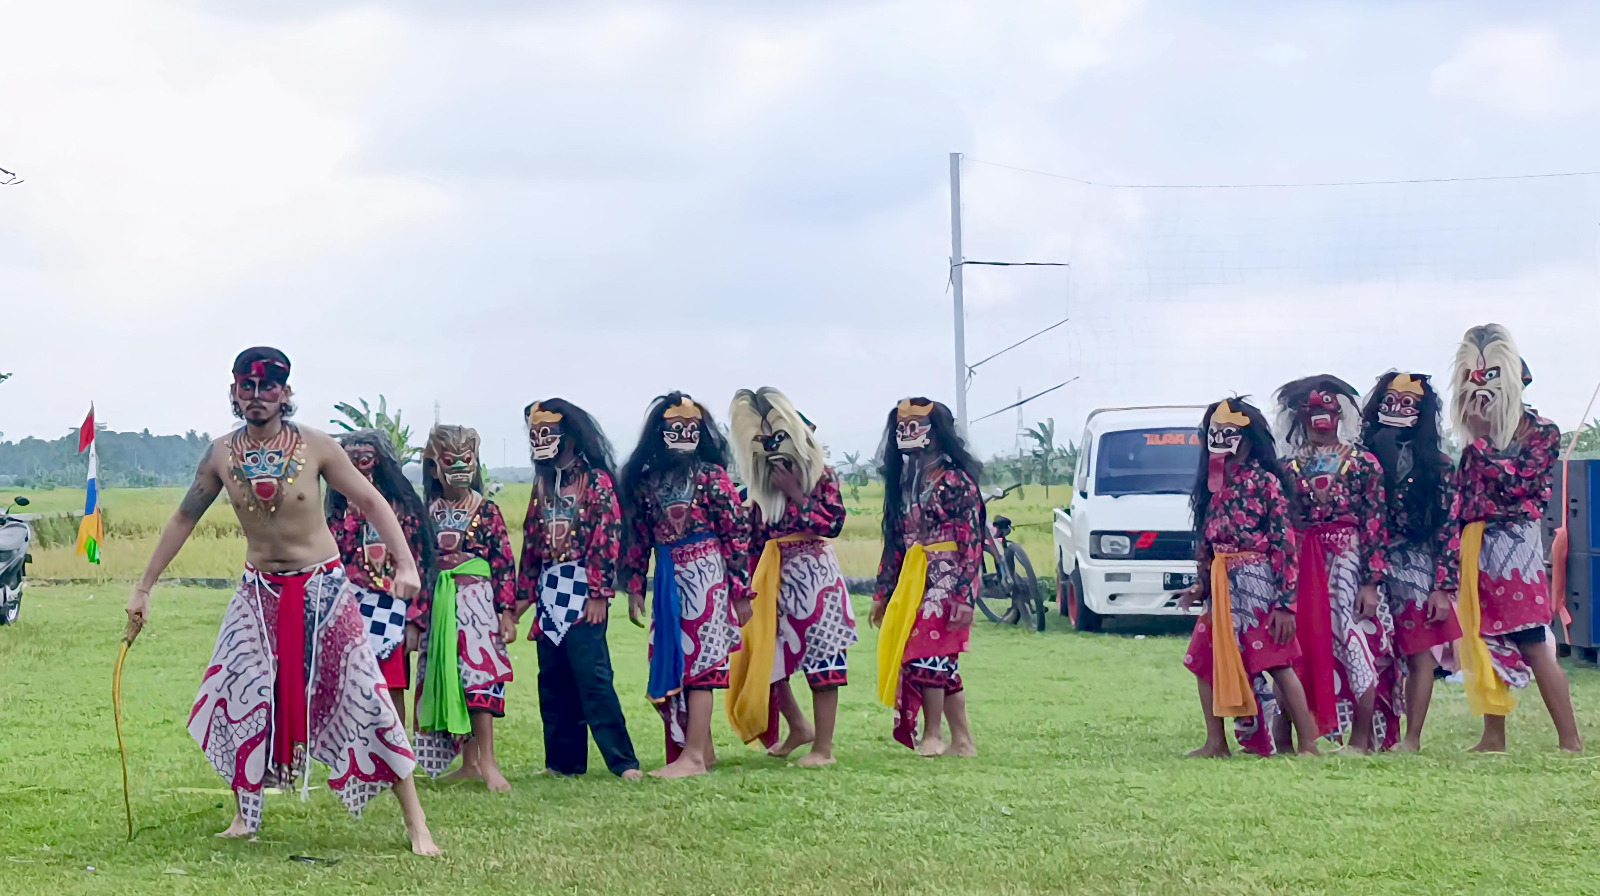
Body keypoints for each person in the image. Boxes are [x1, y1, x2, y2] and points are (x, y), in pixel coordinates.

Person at [123, 347, 437, 855]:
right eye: (246, 387)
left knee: (365, 693)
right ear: (234, 392)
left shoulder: (317, 446)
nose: (256, 396)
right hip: (258, 592)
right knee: (237, 690)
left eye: (267, 386)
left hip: (324, 588)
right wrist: (144, 587)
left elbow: (371, 500)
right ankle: (245, 816)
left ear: (285, 393)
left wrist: (405, 562)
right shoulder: (221, 455)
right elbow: (184, 517)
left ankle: (416, 824)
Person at [1439, 324, 1582, 752]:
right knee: (1485, 642)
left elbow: (1517, 487)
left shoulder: (1542, 432)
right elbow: (1460, 505)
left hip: (1515, 546)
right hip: (1476, 546)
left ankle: (1570, 740)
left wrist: (1482, 441)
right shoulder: (1470, 446)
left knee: (1533, 640)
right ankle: (1493, 736)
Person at [618, 392, 751, 778]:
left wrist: (741, 592)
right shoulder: (647, 484)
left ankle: (692, 757)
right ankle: (701, 751)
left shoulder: (713, 478)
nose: (685, 434)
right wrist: (635, 587)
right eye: (677, 428)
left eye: (692, 428)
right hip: (668, 577)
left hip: (708, 575)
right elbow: (639, 538)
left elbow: (736, 537)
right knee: (679, 661)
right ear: (660, 433)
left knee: (703, 664)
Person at [1181, 399, 1320, 757]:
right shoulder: (1213, 482)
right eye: (1214, 432)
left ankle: (1307, 743)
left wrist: (1286, 604)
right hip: (1220, 582)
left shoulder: (1265, 481)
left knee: (1275, 660)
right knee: (1203, 658)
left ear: (1246, 437)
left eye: (1229, 432)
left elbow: (1285, 543)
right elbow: (1208, 539)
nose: (1221, 438)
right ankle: (1216, 742)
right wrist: (1200, 583)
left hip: (1256, 578)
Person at [512, 399, 642, 781]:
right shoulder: (542, 485)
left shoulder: (597, 481)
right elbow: (533, 543)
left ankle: (623, 762)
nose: (539, 440)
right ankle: (562, 762)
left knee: (593, 677)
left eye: (546, 433)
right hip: (550, 591)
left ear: (568, 435)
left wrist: (600, 592)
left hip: (584, 590)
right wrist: (521, 600)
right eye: (533, 434)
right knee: (552, 679)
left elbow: (608, 535)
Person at [727, 388, 857, 767]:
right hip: (771, 579)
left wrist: (797, 495)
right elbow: (751, 540)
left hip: (816, 576)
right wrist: (743, 589)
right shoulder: (756, 489)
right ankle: (798, 726)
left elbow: (832, 522)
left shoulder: (822, 477)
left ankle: (824, 749)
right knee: (765, 657)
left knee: (824, 659)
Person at [1275, 375, 1398, 754]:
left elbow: (1376, 524)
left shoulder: (1364, 463)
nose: (1319, 418)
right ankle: (1291, 737)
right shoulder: (1287, 467)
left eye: (1327, 410)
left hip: (1349, 563)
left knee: (1356, 644)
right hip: (1302, 566)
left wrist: (1371, 583)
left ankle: (1361, 739)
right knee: (1299, 647)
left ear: (1338, 413)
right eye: (1312, 412)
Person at [870, 398, 980, 757]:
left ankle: (933, 735)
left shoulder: (955, 481)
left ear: (935, 433)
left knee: (927, 653)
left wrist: (965, 595)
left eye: (914, 426)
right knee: (939, 660)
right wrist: (883, 593)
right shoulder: (905, 481)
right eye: (902, 427)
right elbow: (895, 542)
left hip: (947, 577)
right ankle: (962, 741)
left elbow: (972, 539)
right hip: (913, 579)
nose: (906, 434)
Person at [411, 424, 518, 790]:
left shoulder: (487, 510)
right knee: (450, 679)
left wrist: (507, 612)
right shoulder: (427, 511)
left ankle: (488, 761)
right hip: (439, 605)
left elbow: (504, 562)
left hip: (478, 602)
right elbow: (421, 564)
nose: (458, 468)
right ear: (434, 466)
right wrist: (416, 617)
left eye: (466, 460)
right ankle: (469, 762)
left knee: (480, 678)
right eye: (449, 461)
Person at [1359, 372, 1461, 752]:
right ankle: (1368, 735)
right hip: (1366, 561)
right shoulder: (1360, 456)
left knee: (1419, 650)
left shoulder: (1437, 464)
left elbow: (1448, 526)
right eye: (1390, 401)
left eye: (1408, 403)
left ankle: (1412, 739)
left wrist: (1443, 587)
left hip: (1417, 560)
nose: (1397, 409)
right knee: (1369, 648)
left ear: (1422, 412)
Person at [326, 429, 437, 728]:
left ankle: (395, 761)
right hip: (347, 608)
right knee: (350, 686)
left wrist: (416, 619)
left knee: (390, 687)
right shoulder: (336, 510)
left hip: (392, 610)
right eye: (349, 460)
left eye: (366, 458)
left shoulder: (403, 509)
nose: (360, 466)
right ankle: (358, 759)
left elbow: (421, 565)